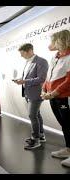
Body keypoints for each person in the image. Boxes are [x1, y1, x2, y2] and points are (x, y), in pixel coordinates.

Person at [41, 30, 70, 167]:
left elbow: (69, 81)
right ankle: (68, 149)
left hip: (64, 97)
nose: (51, 44)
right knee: (65, 124)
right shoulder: (56, 57)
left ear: (60, 40)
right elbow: (49, 76)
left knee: (69, 124)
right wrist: (44, 89)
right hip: (53, 96)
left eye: (53, 40)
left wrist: (53, 93)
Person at [13, 43, 49, 150]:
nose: (21, 56)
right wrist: (21, 79)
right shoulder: (28, 62)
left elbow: (41, 79)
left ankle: (35, 139)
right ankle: (41, 135)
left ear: (29, 50)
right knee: (36, 115)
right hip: (29, 93)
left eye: (22, 53)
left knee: (32, 115)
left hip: (36, 93)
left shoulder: (41, 61)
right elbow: (29, 76)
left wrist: (24, 81)